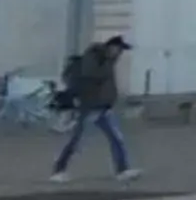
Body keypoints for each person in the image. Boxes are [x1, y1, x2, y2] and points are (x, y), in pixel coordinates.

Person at [50, 36, 137, 183]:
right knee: (77, 141)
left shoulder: (106, 61)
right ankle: (59, 170)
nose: (120, 54)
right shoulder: (95, 59)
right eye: (119, 49)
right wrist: (107, 65)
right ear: (111, 47)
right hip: (90, 107)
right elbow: (91, 77)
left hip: (103, 107)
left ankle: (122, 169)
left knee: (116, 138)